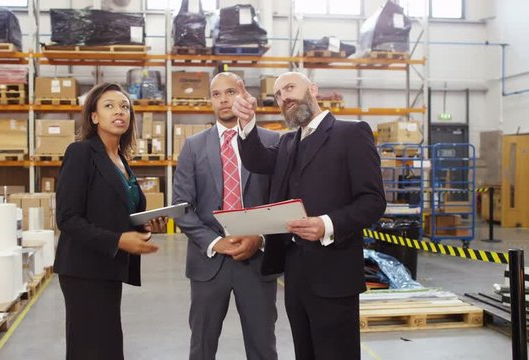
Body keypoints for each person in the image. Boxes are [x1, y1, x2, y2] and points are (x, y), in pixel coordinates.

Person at [232, 72, 386, 359]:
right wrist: (246, 122)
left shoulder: (351, 134)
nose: (284, 97)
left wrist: (327, 224)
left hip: (334, 273)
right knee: (305, 353)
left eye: (290, 88)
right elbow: (256, 160)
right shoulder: (288, 142)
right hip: (296, 275)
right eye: (278, 95)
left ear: (313, 89)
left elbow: (373, 201)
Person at [54, 82, 167, 360]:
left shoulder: (120, 161)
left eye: (125, 106)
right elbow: (67, 218)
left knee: (107, 345)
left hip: (108, 267)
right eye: (109, 106)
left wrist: (145, 227)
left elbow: (119, 214)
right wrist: (118, 240)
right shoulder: (81, 153)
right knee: (90, 348)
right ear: (94, 117)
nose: (119, 111)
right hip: (83, 269)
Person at [173, 72, 281, 360]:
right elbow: (181, 205)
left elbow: (280, 202)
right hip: (209, 263)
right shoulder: (193, 146)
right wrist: (214, 243)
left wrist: (259, 238)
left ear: (243, 96)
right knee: (202, 347)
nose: (223, 99)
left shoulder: (272, 141)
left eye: (230, 91)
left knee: (263, 347)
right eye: (216, 93)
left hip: (257, 260)